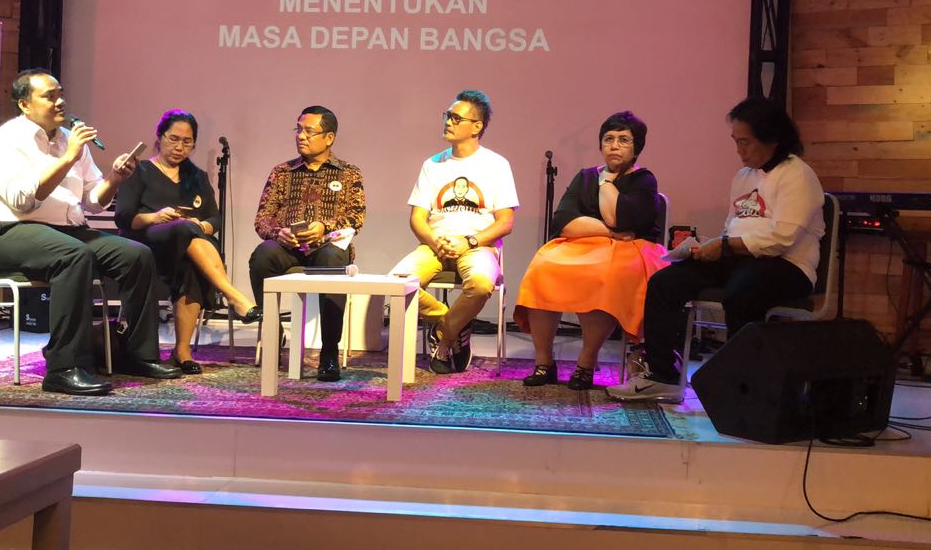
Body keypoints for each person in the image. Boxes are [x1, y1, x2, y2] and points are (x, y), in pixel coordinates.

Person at [0, 69, 182, 396]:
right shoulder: (5, 141)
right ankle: (64, 367)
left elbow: (93, 201)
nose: (60, 102)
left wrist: (115, 178)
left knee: (136, 255)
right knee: (74, 255)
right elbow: (22, 201)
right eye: (49, 96)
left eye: (60, 94)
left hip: (65, 231)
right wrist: (70, 155)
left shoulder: (67, 139)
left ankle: (136, 353)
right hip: (9, 232)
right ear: (25, 104)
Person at [608, 97, 825, 403]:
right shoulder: (744, 176)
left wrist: (723, 246)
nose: (739, 150)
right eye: (736, 141)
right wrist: (707, 247)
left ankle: (744, 385)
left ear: (772, 139)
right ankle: (661, 376)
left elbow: (782, 239)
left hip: (786, 265)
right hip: (739, 257)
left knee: (742, 293)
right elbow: (734, 226)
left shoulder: (797, 175)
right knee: (665, 282)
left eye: (745, 142)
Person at [513, 111, 667, 390]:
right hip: (587, 244)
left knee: (604, 274)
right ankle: (544, 362)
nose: (614, 145)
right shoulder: (585, 177)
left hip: (630, 249)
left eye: (624, 140)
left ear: (637, 147)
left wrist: (607, 182)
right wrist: (610, 232)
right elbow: (563, 222)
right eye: (608, 139)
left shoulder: (644, 180)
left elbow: (618, 217)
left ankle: (586, 363)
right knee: (543, 266)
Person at [115, 109, 259, 375]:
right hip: (145, 248)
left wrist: (200, 226)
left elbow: (214, 219)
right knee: (183, 227)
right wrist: (155, 217)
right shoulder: (140, 171)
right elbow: (123, 218)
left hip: (183, 252)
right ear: (159, 138)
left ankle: (182, 352)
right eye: (173, 139)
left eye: (187, 141)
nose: (180, 147)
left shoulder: (196, 176)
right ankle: (232, 295)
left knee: (192, 261)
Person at [390, 90, 519, 374]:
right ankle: (453, 323)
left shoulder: (496, 165)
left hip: (477, 246)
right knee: (395, 284)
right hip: (434, 245)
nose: (448, 121)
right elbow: (417, 218)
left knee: (482, 285)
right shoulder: (432, 164)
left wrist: (468, 241)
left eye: (456, 118)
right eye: (447, 115)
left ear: (477, 126)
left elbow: (505, 223)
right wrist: (435, 241)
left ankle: (444, 336)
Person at [249, 106, 366, 382]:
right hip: (288, 247)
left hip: (327, 246)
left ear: (329, 138)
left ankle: (329, 351)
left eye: (309, 131)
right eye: (299, 130)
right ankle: (273, 330)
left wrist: (325, 226)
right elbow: (263, 218)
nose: (301, 136)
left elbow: (357, 216)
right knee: (263, 255)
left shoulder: (349, 173)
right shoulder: (282, 172)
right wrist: (278, 232)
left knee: (334, 260)